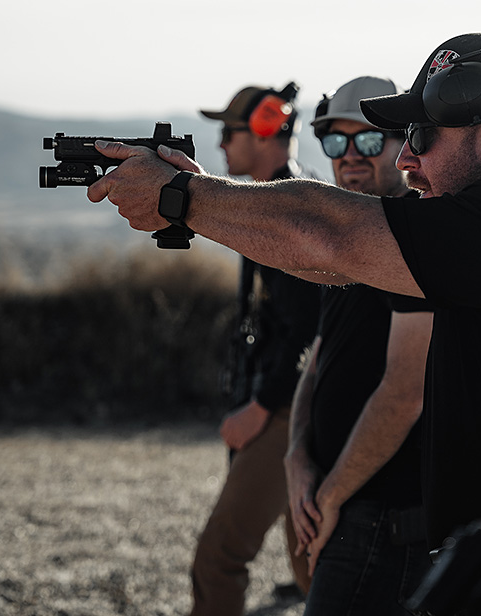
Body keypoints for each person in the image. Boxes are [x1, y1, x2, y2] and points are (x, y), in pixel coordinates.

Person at [86, 32, 481, 550]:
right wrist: (208, 203)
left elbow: (329, 235)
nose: (408, 158)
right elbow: (330, 263)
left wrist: (184, 199)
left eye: (421, 134)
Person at [283, 75, 434, 615]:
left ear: (404, 146)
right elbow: (321, 356)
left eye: (367, 140)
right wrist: (297, 454)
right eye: (334, 141)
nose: (349, 155)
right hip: (340, 502)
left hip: (383, 518)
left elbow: (405, 394)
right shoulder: (350, 239)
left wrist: (331, 496)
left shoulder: (414, 237)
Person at [189, 82, 322, 616]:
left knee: (219, 558)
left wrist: (260, 407)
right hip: (289, 402)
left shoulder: (287, 209)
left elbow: (306, 328)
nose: (221, 144)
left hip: (285, 407)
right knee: (314, 566)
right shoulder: (278, 199)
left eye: (229, 132)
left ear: (266, 129)